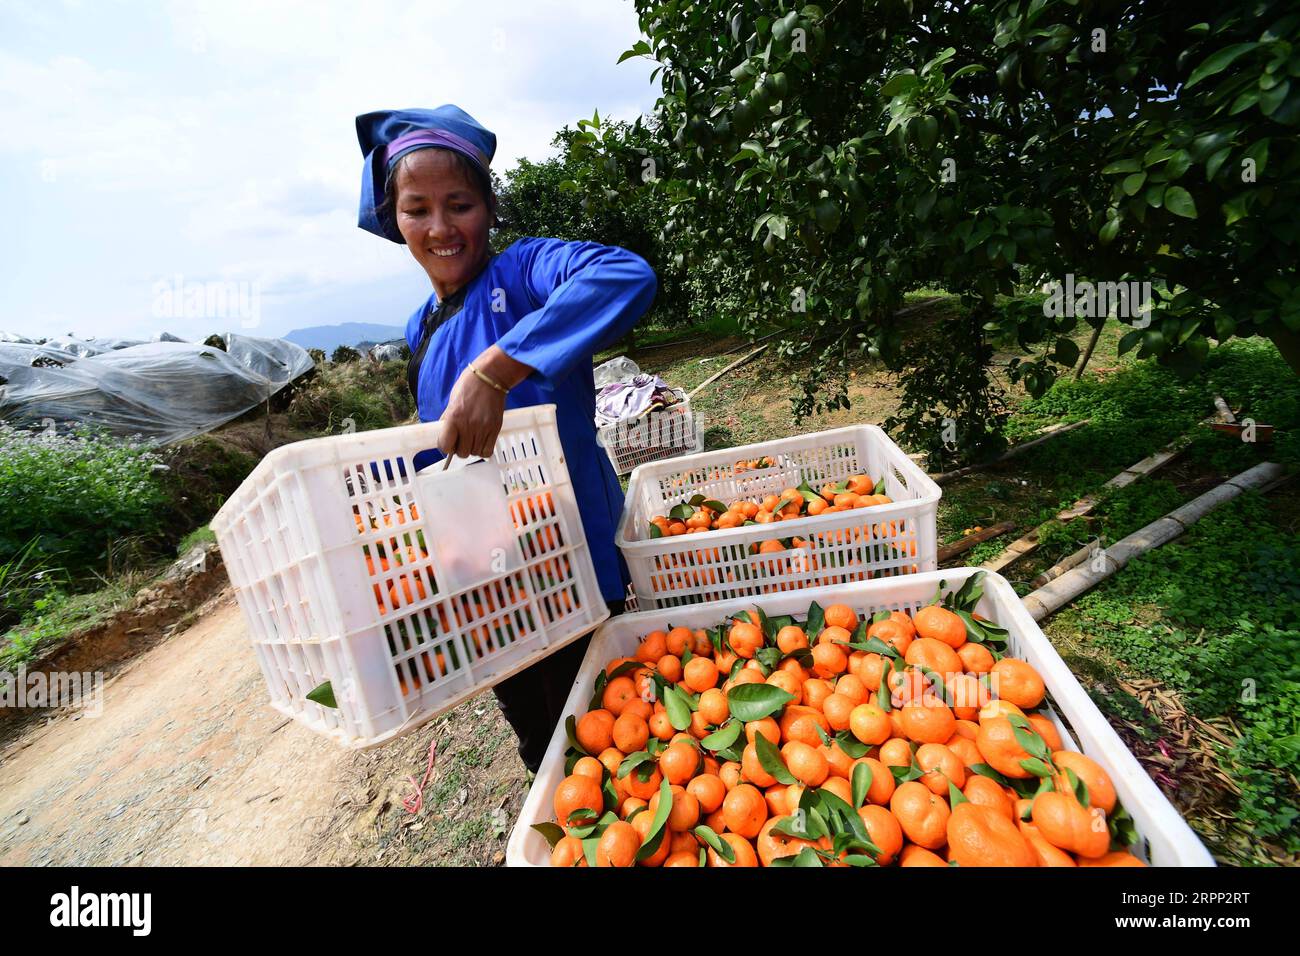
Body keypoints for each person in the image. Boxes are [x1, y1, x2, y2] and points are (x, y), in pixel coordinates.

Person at [356, 105, 656, 774]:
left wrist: (498, 367)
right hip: (489, 579)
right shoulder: (417, 327)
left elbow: (627, 276)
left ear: (488, 208)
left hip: (570, 558)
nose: (440, 228)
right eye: (417, 209)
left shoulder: (523, 273)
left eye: (459, 204)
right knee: (541, 744)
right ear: (393, 220)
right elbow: (451, 434)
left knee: (614, 737)